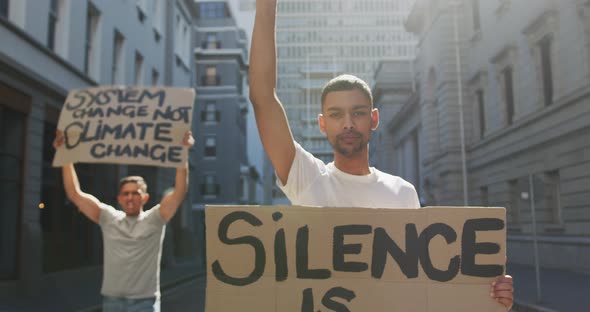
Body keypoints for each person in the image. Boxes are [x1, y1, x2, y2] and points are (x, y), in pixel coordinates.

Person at [248, 0, 513, 309]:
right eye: (336, 114)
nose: (348, 123)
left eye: (357, 113)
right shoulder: (307, 179)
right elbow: (262, 99)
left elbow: (425, 288)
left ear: (373, 119)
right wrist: (266, 7)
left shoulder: (404, 194)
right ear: (323, 124)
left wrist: (489, 294)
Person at [53, 129, 194, 312]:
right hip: (112, 303)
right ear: (119, 198)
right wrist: (65, 155)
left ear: (145, 198)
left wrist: (183, 153)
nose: (130, 198)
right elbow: (74, 194)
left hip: (145, 303)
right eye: (125, 194)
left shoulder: (156, 218)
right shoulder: (108, 217)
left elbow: (179, 192)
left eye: (135, 193)